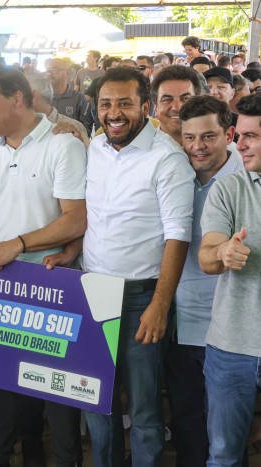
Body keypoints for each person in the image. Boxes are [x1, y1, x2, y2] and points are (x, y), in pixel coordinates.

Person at [0, 66, 87, 467]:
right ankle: (0, 455)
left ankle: (65, 459)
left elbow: (75, 219)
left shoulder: (63, 145)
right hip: (0, 282)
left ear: (18, 99)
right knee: (1, 379)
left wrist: (18, 244)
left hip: (49, 280)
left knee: (55, 385)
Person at [82, 66, 194, 466]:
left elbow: (178, 236)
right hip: (93, 292)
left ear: (145, 107)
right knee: (96, 400)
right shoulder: (95, 147)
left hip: (140, 298)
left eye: (125, 104)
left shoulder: (168, 158)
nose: (114, 113)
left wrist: (160, 304)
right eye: (106, 104)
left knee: (144, 409)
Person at [162, 95, 244, 467]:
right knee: (187, 422)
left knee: (225, 435)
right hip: (182, 323)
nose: (198, 146)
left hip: (230, 330)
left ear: (229, 134)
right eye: (190, 137)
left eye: (208, 137)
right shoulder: (173, 170)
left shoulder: (249, 178)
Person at [197, 93, 261, 466]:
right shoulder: (228, 189)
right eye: (241, 135)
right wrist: (223, 252)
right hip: (232, 346)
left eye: (252, 136)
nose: (241, 144)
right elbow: (207, 256)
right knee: (223, 455)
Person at [26, 72, 90, 148]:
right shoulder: (20, 127)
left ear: (33, 95)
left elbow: (88, 153)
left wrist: (78, 143)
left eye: (19, 95)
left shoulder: (74, 128)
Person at [152, 65, 206, 146]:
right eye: (167, 100)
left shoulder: (219, 148)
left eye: (185, 99)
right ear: (156, 107)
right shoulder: (140, 151)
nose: (177, 108)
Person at [47, 57, 94, 136]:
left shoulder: (80, 99)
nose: (49, 73)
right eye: (47, 70)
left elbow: (86, 129)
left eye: (54, 70)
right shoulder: (39, 99)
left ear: (67, 73)